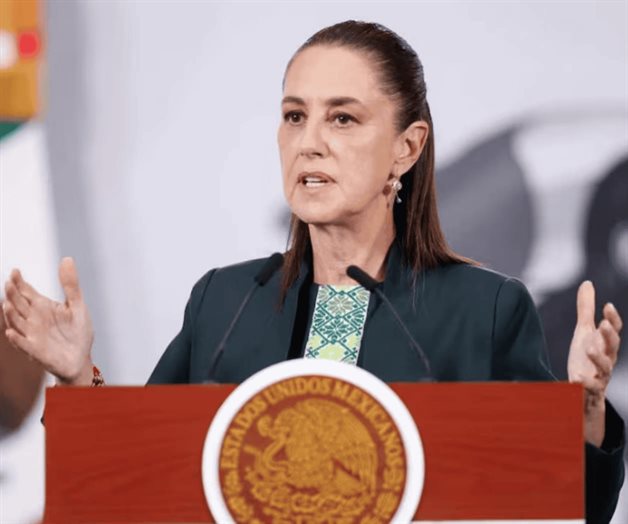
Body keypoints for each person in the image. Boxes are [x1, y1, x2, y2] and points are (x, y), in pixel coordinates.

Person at [2, 21, 624, 522]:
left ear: (406, 148)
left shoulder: (484, 308)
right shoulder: (224, 300)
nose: (310, 142)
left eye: (342, 118)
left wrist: (585, 412)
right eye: (295, 116)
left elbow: (563, 503)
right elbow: (131, 481)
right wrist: (77, 375)